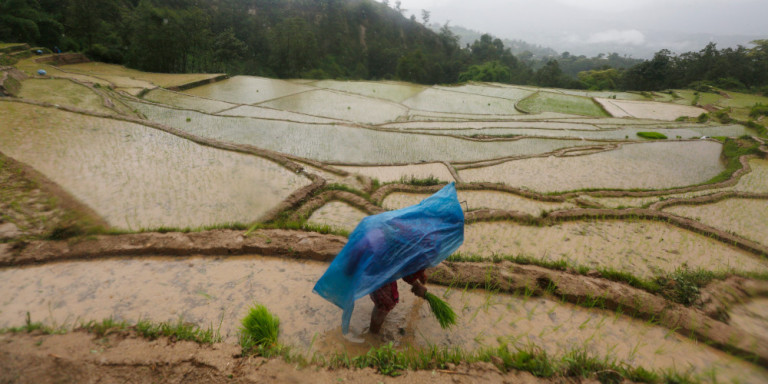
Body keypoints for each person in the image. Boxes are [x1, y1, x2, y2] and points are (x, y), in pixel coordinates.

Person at [369, 269, 428, 334]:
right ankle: (372, 334)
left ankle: (374, 330)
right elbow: (404, 268)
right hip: (381, 266)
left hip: (384, 266)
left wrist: (419, 273)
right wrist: (416, 285)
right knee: (386, 301)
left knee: (384, 298)